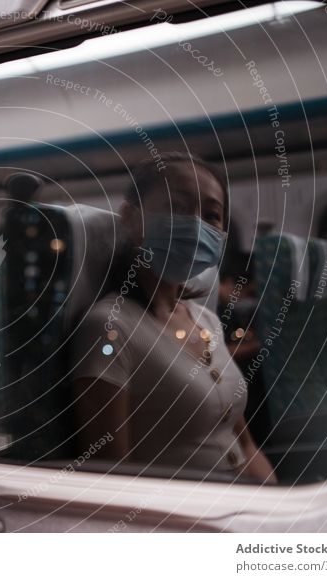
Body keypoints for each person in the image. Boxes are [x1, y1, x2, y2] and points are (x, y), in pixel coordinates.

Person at [70, 153, 277, 484]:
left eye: (212, 215)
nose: (196, 226)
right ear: (129, 218)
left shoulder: (207, 320)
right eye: (178, 208)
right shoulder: (110, 329)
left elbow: (246, 445)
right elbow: (111, 477)